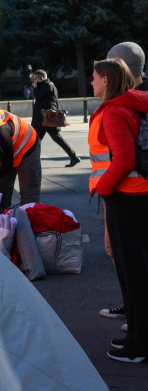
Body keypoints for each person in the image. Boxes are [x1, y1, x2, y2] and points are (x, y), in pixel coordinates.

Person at [87, 58, 148, 363]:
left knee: (132, 275)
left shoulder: (113, 111)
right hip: (139, 196)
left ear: (107, 81)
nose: (91, 82)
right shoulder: (135, 104)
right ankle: (136, 337)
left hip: (125, 199)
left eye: (94, 77)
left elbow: (123, 159)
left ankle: (138, 346)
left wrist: (104, 188)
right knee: (138, 272)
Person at [99, 42, 147, 321]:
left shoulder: (126, 102)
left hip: (126, 192)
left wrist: (104, 187)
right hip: (126, 189)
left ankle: (137, 315)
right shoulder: (137, 97)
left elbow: (126, 157)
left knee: (125, 256)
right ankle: (134, 309)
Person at [31, 69, 80, 167]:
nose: (34, 81)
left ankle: (74, 157)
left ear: (41, 77)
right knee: (36, 140)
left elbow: (38, 96)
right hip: (45, 119)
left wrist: (35, 87)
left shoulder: (47, 85)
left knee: (39, 140)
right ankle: (74, 157)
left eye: (35, 78)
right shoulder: (47, 85)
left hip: (46, 119)